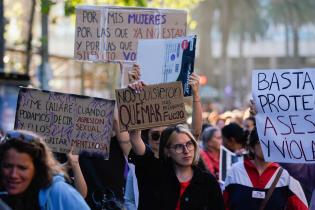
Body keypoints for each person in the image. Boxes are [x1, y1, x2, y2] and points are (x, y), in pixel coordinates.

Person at [129, 124, 225, 210]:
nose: (186, 151)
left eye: (189, 144)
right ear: (167, 151)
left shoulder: (208, 182)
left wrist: (196, 102)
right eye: (178, 146)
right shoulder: (154, 174)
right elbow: (136, 140)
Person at [0, 130, 90, 210]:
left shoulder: (58, 191)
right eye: (8, 166)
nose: (13, 174)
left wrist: (74, 163)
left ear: (37, 167)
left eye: (22, 168)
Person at [223, 128, 308, 210]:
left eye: (272, 142)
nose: (268, 145)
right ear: (252, 148)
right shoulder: (235, 171)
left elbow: (301, 207)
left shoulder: (287, 174)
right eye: (262, 142)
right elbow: (223, 205)